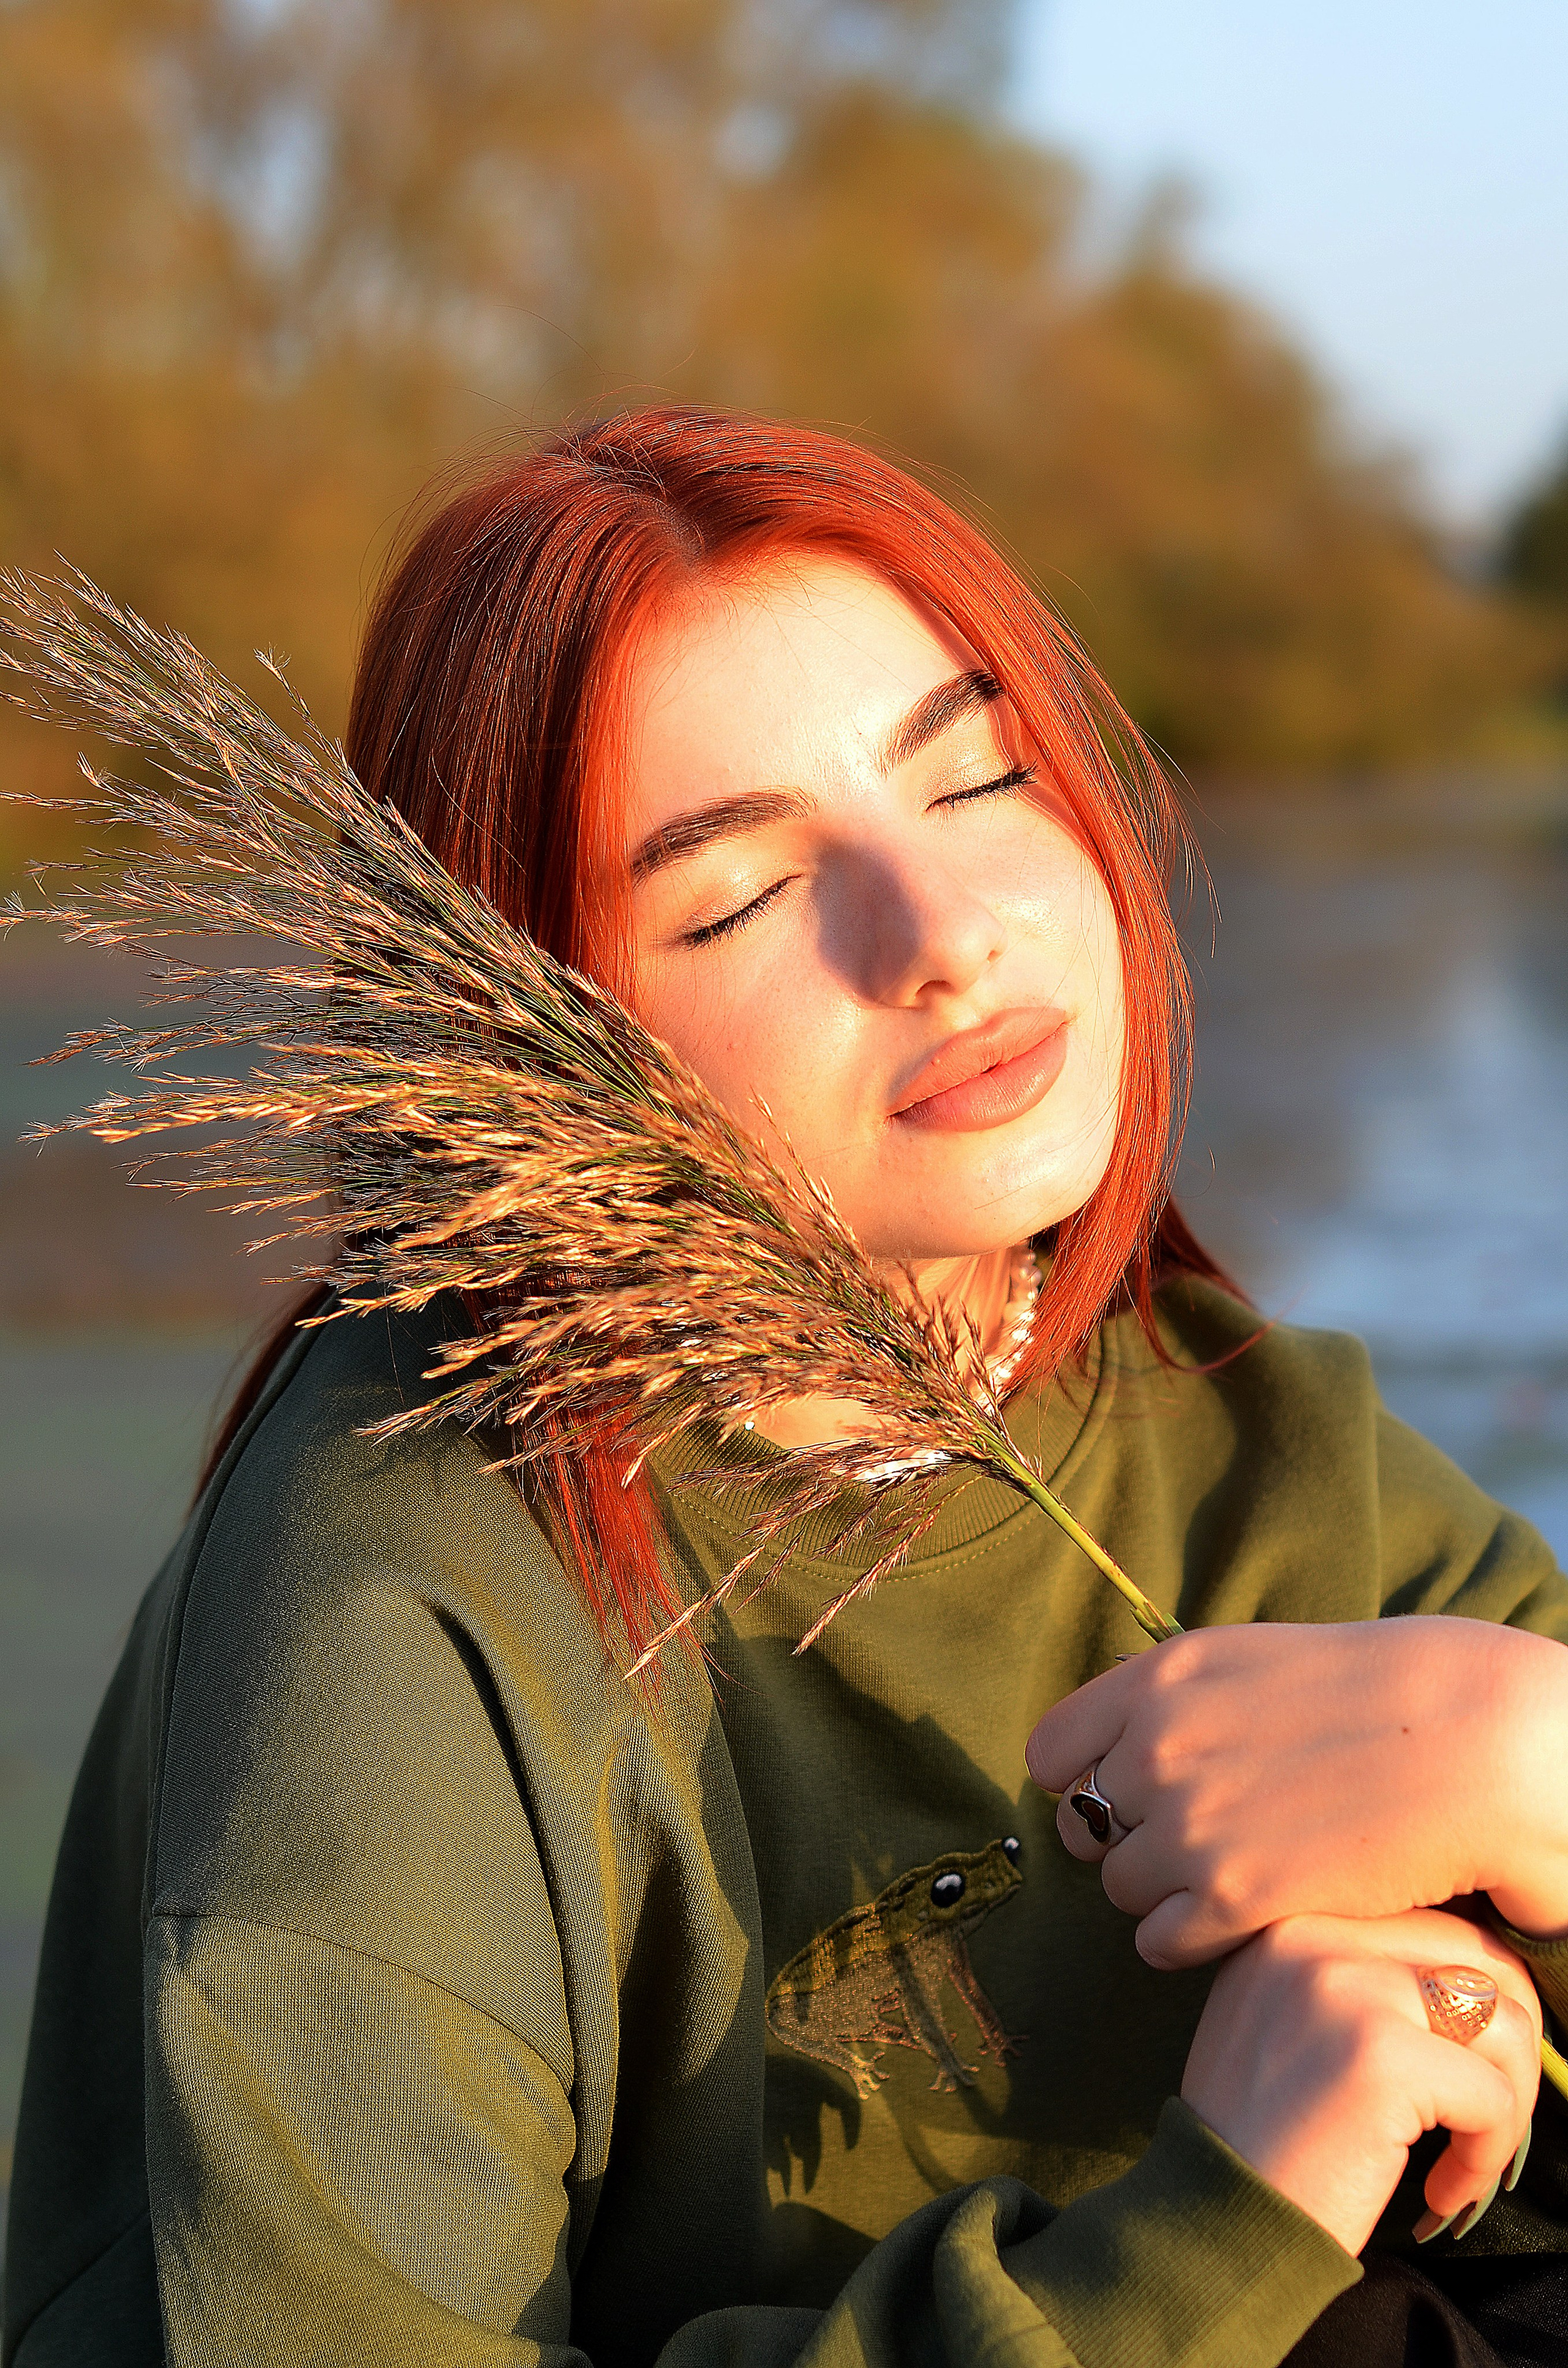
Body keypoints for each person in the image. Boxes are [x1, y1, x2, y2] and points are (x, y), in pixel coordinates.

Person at [6, 407, 1568, 2368]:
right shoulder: (403, 1588)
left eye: (984, 775)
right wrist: (1212, 2234)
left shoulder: (1251, 1447)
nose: (946, 937)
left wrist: (1540, 1773)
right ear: (517, 1034)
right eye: (737, 895)